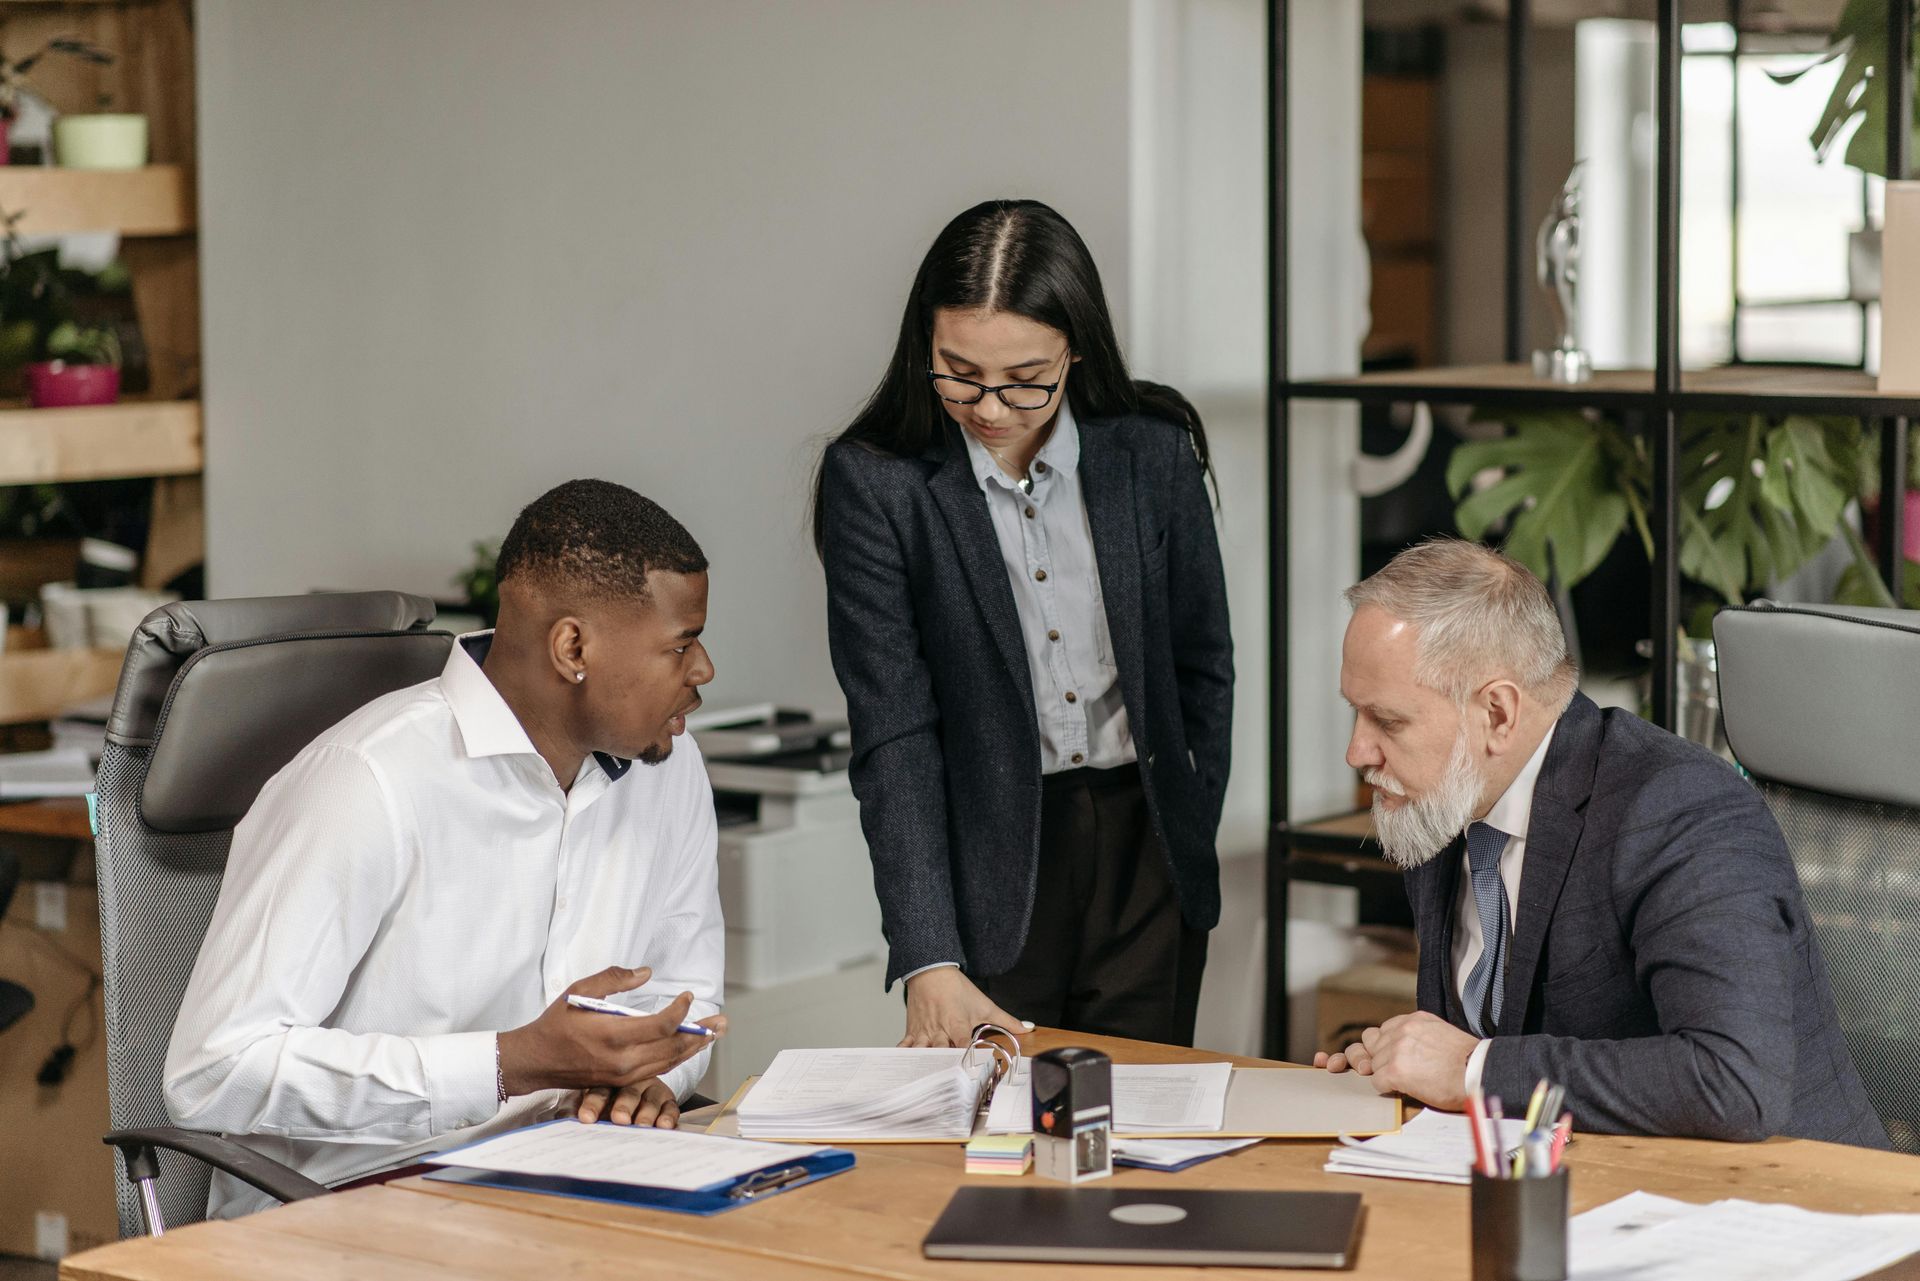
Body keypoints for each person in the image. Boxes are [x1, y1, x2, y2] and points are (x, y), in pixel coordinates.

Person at [166, 479, 730, 1216]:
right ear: (572, 647)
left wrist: (646, 1076)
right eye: (680, 644)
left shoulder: (668, 768)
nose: (703, 670)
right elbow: (213, 1069)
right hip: (354, 1209)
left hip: (569, 1182)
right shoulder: (366, 780)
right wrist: (506, 1063)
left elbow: (689, 1000)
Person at [814, 199, 1233, 1048]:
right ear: (921, 346)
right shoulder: (877, 484)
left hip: (1146, 845)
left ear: (1075, 349)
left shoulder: (1150, 449)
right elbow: (893, 733)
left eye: (1026, 378)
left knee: (1142, 1125)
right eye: (959, 372)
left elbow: (1204, 664)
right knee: (997, 1141)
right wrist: (928, 954)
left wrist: (1189, 812)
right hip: (991, 866)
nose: (992, 407)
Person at [1315, 538, 1887, 1147]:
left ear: (1500, 715)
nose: (1358, 752)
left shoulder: (1678, 807)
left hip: (1787, 1205)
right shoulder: (1443, 806)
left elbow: (1732, 1082)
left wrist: (1469, 1070)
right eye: (1356, 713)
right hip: (1576, 1183)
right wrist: (1402, 1070)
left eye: (1388, 721)